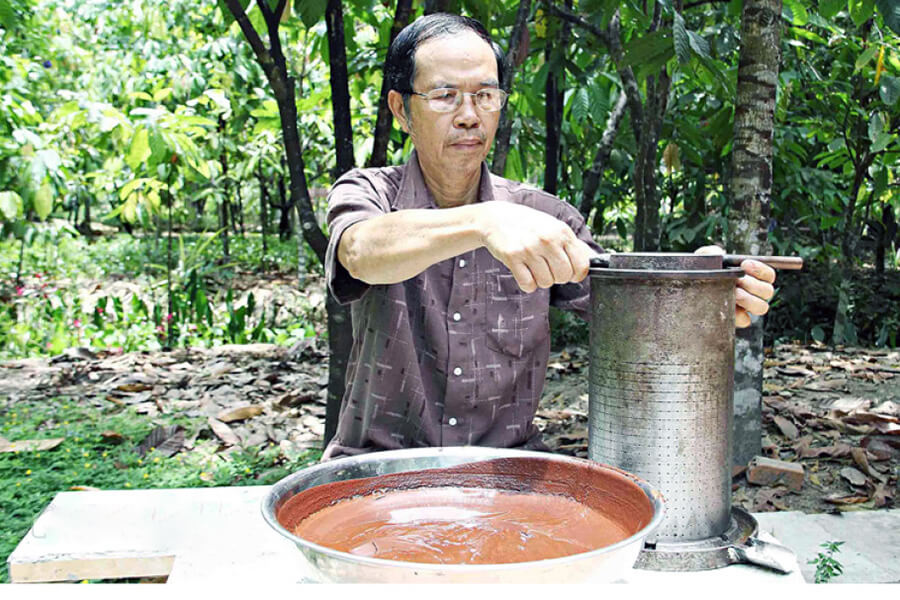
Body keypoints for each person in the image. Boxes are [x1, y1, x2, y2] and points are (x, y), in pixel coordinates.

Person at [321, 13, 775, 460]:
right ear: (401, 109)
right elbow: (362, 251)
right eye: (444, 96)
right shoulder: (369, 193)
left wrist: (704, 293)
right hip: (376, 470)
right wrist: (485, 223)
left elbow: (629, 308)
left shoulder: (543, 217)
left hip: (507, 474)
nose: (468, 115)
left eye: (485, 95)